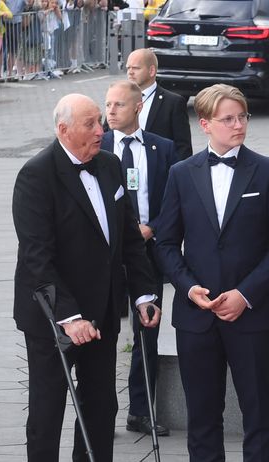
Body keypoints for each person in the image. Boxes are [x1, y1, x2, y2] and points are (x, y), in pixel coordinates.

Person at [153, 84, 269, 462]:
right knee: (202, 412)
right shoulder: (181, 173)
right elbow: (163, 241)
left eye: (243, 117)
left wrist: (245, 293)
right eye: (229, 119)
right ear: (205, 124)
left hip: (251, 314)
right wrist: (188, 287)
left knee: (258, 411)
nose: (239, 125)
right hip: (197, 316)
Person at [12, 93, 160, 462]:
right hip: (52, 316)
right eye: (93, 124)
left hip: (103, 310)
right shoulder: (36, 176)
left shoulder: (111, 167)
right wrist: (69, 316)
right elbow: (37, 258)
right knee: (48, 410)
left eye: (101, 122)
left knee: (101, 406)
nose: (102, 130)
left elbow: (129, 240)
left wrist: (143, 293)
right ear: (63, 130)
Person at [100, 80, 176, 438]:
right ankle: (101, 409)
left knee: (148, 330)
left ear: (138, 108)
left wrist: (153, 228)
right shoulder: (96, 147)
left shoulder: (162, 149)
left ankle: (141, 411)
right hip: (107, 254)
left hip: (148, 250)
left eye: (118, 105)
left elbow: (174, 202)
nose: (110, 111)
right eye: (108, 104)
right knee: (104, 330)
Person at [124, 48, 192, 162]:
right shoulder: (119, 98)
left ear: (151, 71)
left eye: (136, 68)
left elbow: (183, 148)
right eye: (128, 68)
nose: (130, 72)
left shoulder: (173, 102)